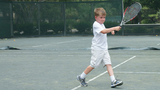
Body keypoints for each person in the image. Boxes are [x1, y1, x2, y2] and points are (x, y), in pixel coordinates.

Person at [76, 7, 123, 88]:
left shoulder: (101, 24)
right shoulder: (96, 24)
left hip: (104, 49)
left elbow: (105, 29)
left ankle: (113, 81)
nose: (103, 19)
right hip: (97, 49)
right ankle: (81, 77)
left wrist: (111, 30)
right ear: (96, 17)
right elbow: (103, 31)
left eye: (104, 17)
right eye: (101, 17)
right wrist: (114, 28)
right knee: (93, 65)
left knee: (109, 64)